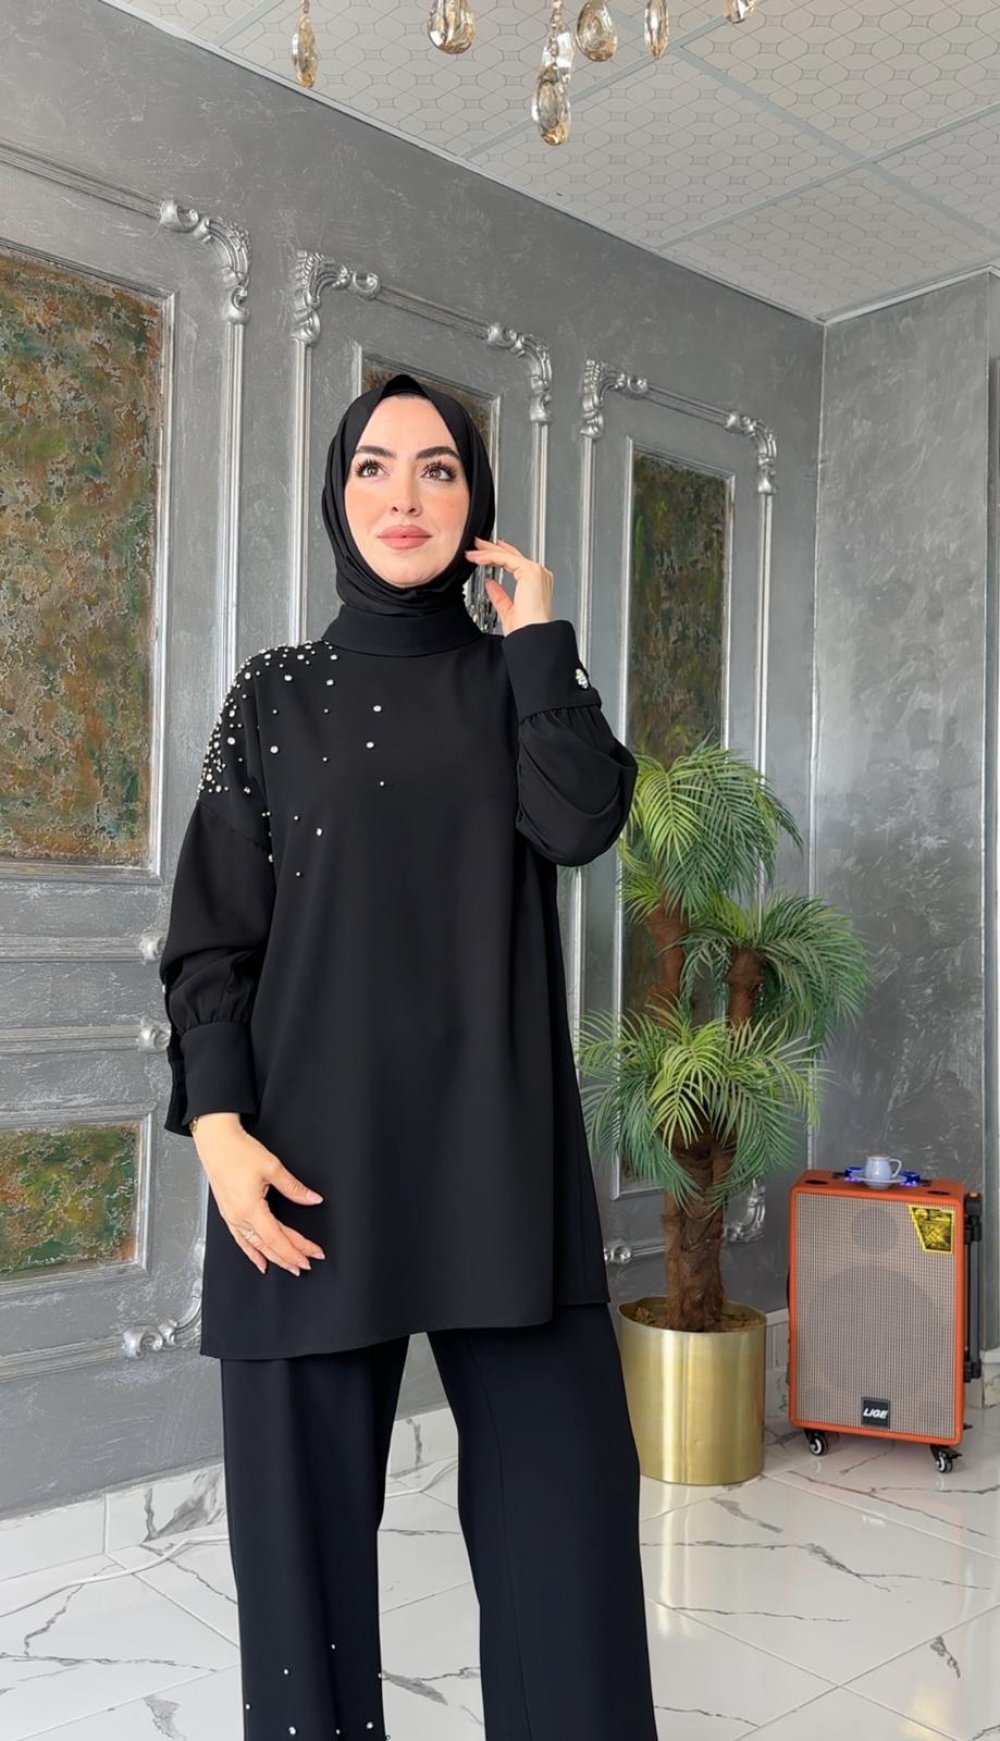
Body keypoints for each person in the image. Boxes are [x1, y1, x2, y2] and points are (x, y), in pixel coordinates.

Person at [159, 372, 659, 1740]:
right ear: (338, 495)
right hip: (303, 1172)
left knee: (569, 1558)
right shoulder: (274, 697)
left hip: (500, 1162)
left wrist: (538, 637)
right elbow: (212, 940)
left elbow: (581, 822)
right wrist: (219, 1131)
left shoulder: (517, 684)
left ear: (475, 502)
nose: (405, 495)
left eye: (439, 469)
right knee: (303, 1588)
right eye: (374, 466)